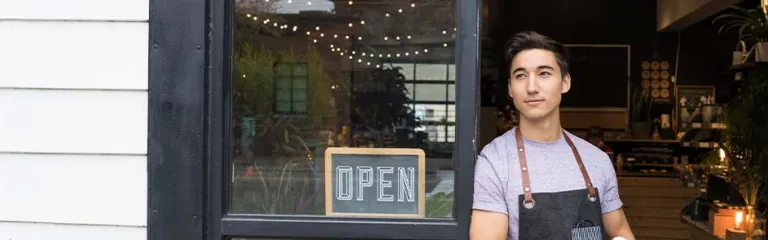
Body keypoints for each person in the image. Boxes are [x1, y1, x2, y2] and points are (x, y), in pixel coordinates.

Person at [470, 31, 634, 240]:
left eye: (544, 73)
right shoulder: (494, 161)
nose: (531, 87)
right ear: (511, 89)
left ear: (565, 82)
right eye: (521, 76)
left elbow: (621, 232)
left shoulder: (598, 161)